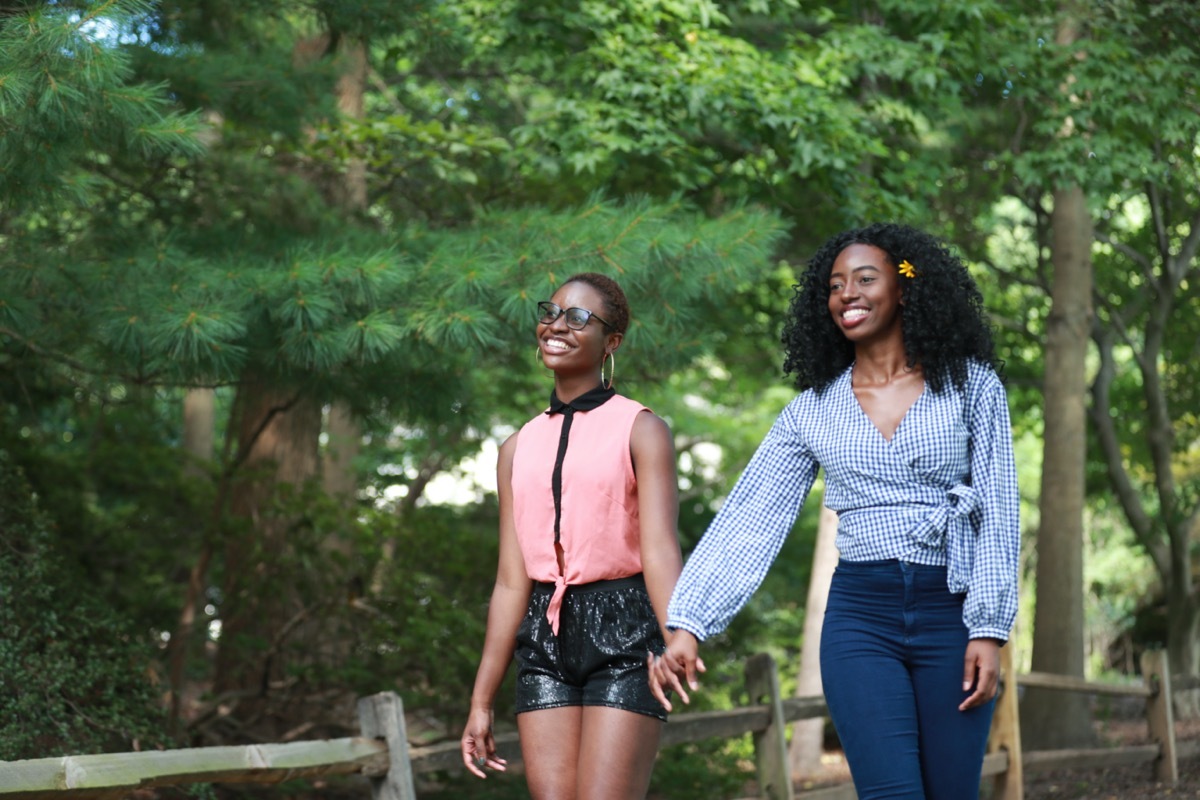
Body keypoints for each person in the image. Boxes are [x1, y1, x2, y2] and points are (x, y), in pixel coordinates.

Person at [649, 223, 1020, 800]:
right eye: (834, 284)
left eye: (864, 279)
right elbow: (752, 517)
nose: (847, 293)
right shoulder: (811, 411)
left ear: (904, 286)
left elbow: (998, 509)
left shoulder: (973, 387)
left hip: (952, 612)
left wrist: (990, 629)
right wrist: (689, 623)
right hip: (860, 620)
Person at [461, 272, 683, 800]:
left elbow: (659, 550)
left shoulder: (642, 429)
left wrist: (679, 639)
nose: (557, 325)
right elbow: (511, 583)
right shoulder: (516, 448)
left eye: (578, 317)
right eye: (551, 312)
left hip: (626, 631)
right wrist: (480, 700)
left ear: (612, 343)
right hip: (543, 639)